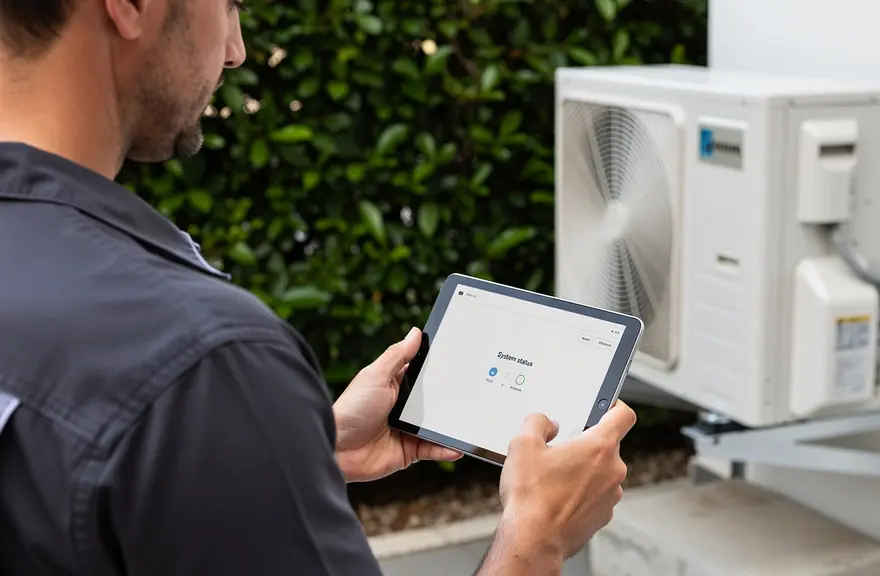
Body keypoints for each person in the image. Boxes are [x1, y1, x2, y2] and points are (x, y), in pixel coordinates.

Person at [0, 1, 637, 575]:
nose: (235, 49)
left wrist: (289, 452)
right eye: (228, 5)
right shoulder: (201, 358)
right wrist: (536, 541)